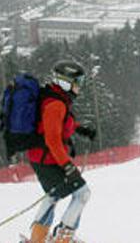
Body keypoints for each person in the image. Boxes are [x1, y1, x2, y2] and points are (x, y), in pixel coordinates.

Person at [26, 60, 96, 243]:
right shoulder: (56, 105)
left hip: (41, 157)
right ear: (65, 82)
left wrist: (80, 129)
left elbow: (57, 126)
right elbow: (52, 140)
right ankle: (63, 238)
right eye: (77, 82)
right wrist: (67, 166)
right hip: (49, 159)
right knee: (82, 193)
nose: (80, 87)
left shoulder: (54, 98)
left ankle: (38, 238)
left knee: (53, 195)